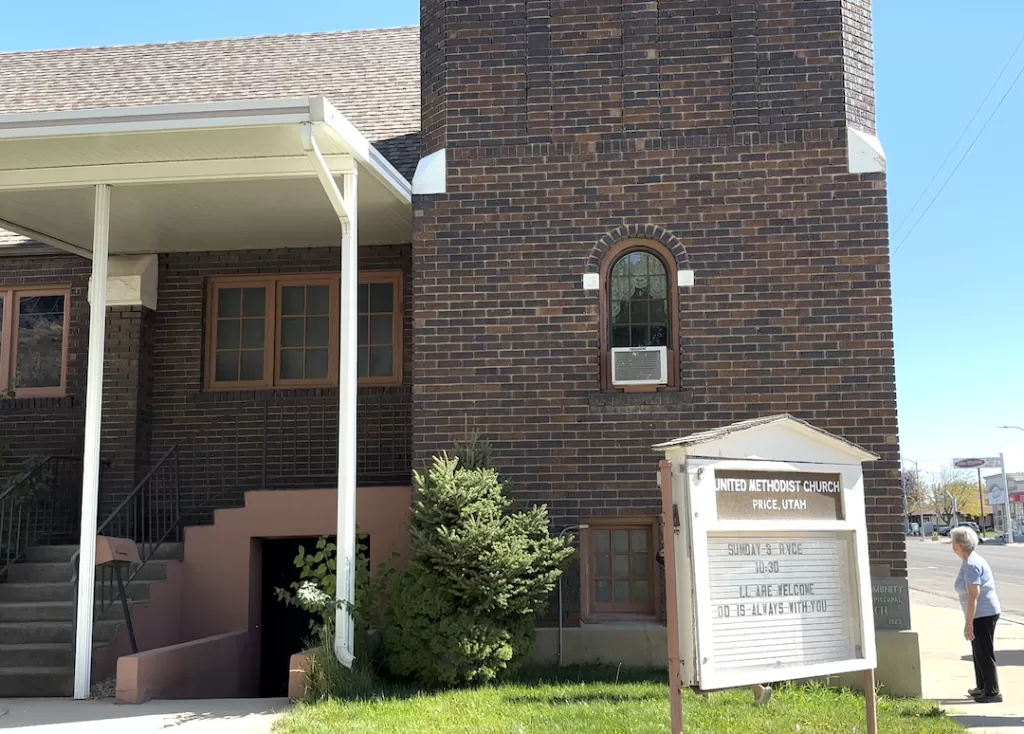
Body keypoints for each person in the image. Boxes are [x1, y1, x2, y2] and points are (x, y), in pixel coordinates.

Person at [951, 525, 1002, 703]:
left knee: (984, 652)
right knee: (978, 651)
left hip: (983, 614)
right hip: (980, 614)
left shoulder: (971, 564)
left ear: (959, 545)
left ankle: (992, 692)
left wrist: (969, 623)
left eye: (953, 541)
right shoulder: (969, 561)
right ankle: (982, 687)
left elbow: (974, 594)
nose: (951, 544)